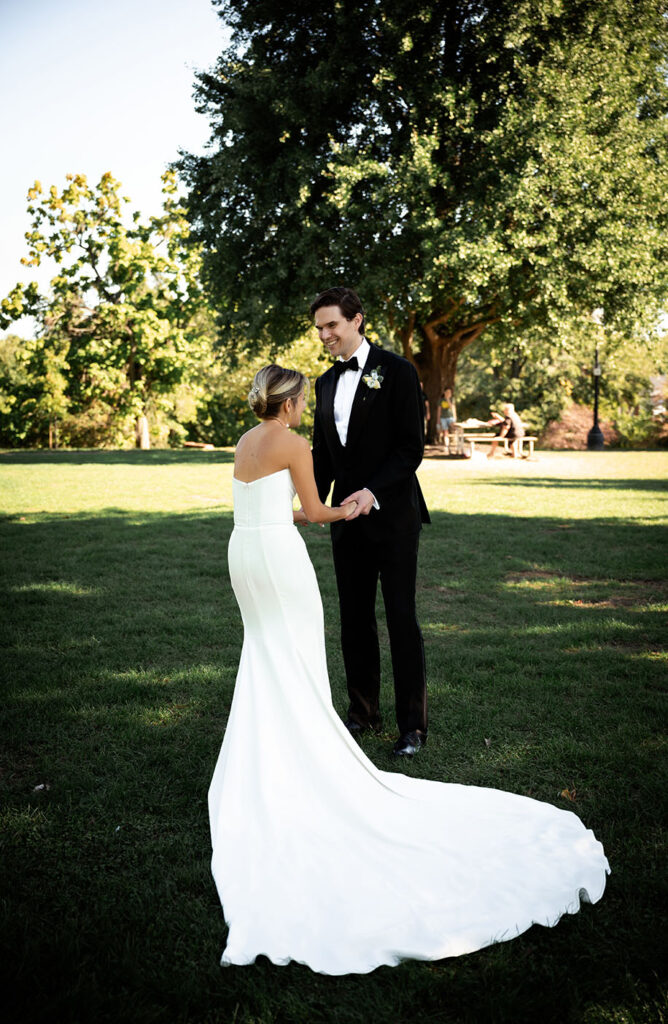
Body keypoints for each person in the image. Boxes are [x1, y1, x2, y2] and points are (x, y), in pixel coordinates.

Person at [207, 362, 609, 975]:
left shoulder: (244, 441)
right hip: (280, 559)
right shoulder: (293, 443)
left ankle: (272, 754)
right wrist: (354, 507)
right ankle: (308, 754)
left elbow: (265, 508)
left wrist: (301, 515)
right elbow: (316, 512)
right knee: (297, 651)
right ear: (290, 405)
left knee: (263, 652)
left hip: (245, 553)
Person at [310, 286, 429, 757]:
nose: (325, 335)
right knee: (354, 620)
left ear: (357, 320)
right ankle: (362, 714)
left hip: (394, 517)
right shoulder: (322, 383)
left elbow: (409, 450)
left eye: (332, 325)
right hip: (345, 520)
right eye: (319, 328)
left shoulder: (397, 372)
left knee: (401, 619)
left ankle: (413, 728)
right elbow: (323, 455)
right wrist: (309, 504)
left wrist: (372, 491)